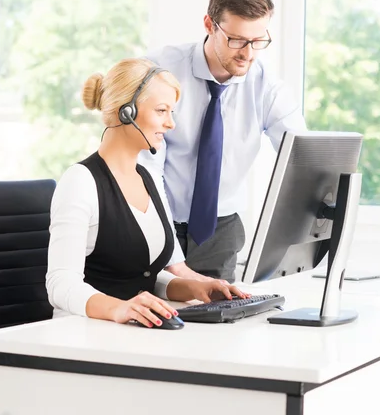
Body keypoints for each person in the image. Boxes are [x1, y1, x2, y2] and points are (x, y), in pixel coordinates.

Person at [46, 58, 249, 329]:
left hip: (134, 331)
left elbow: (144, 277)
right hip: (82, 332)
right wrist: (120, 308)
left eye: (171, 112)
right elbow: (60, 284)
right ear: (125, 111)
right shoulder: (81, 181)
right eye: (162, 111)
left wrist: (193, 288)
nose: (171, 124)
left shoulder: (149, 177)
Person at [139, 0, 307, 283]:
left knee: (216, 324)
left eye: (258, 41)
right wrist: (174, 259)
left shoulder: (267, 86)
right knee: (147, 318)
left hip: (221, 231)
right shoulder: (158, 71)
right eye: (237, 40)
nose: (247, 54)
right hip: (154, 218)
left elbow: (303, 157)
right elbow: (143, 166)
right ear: (209, 24)